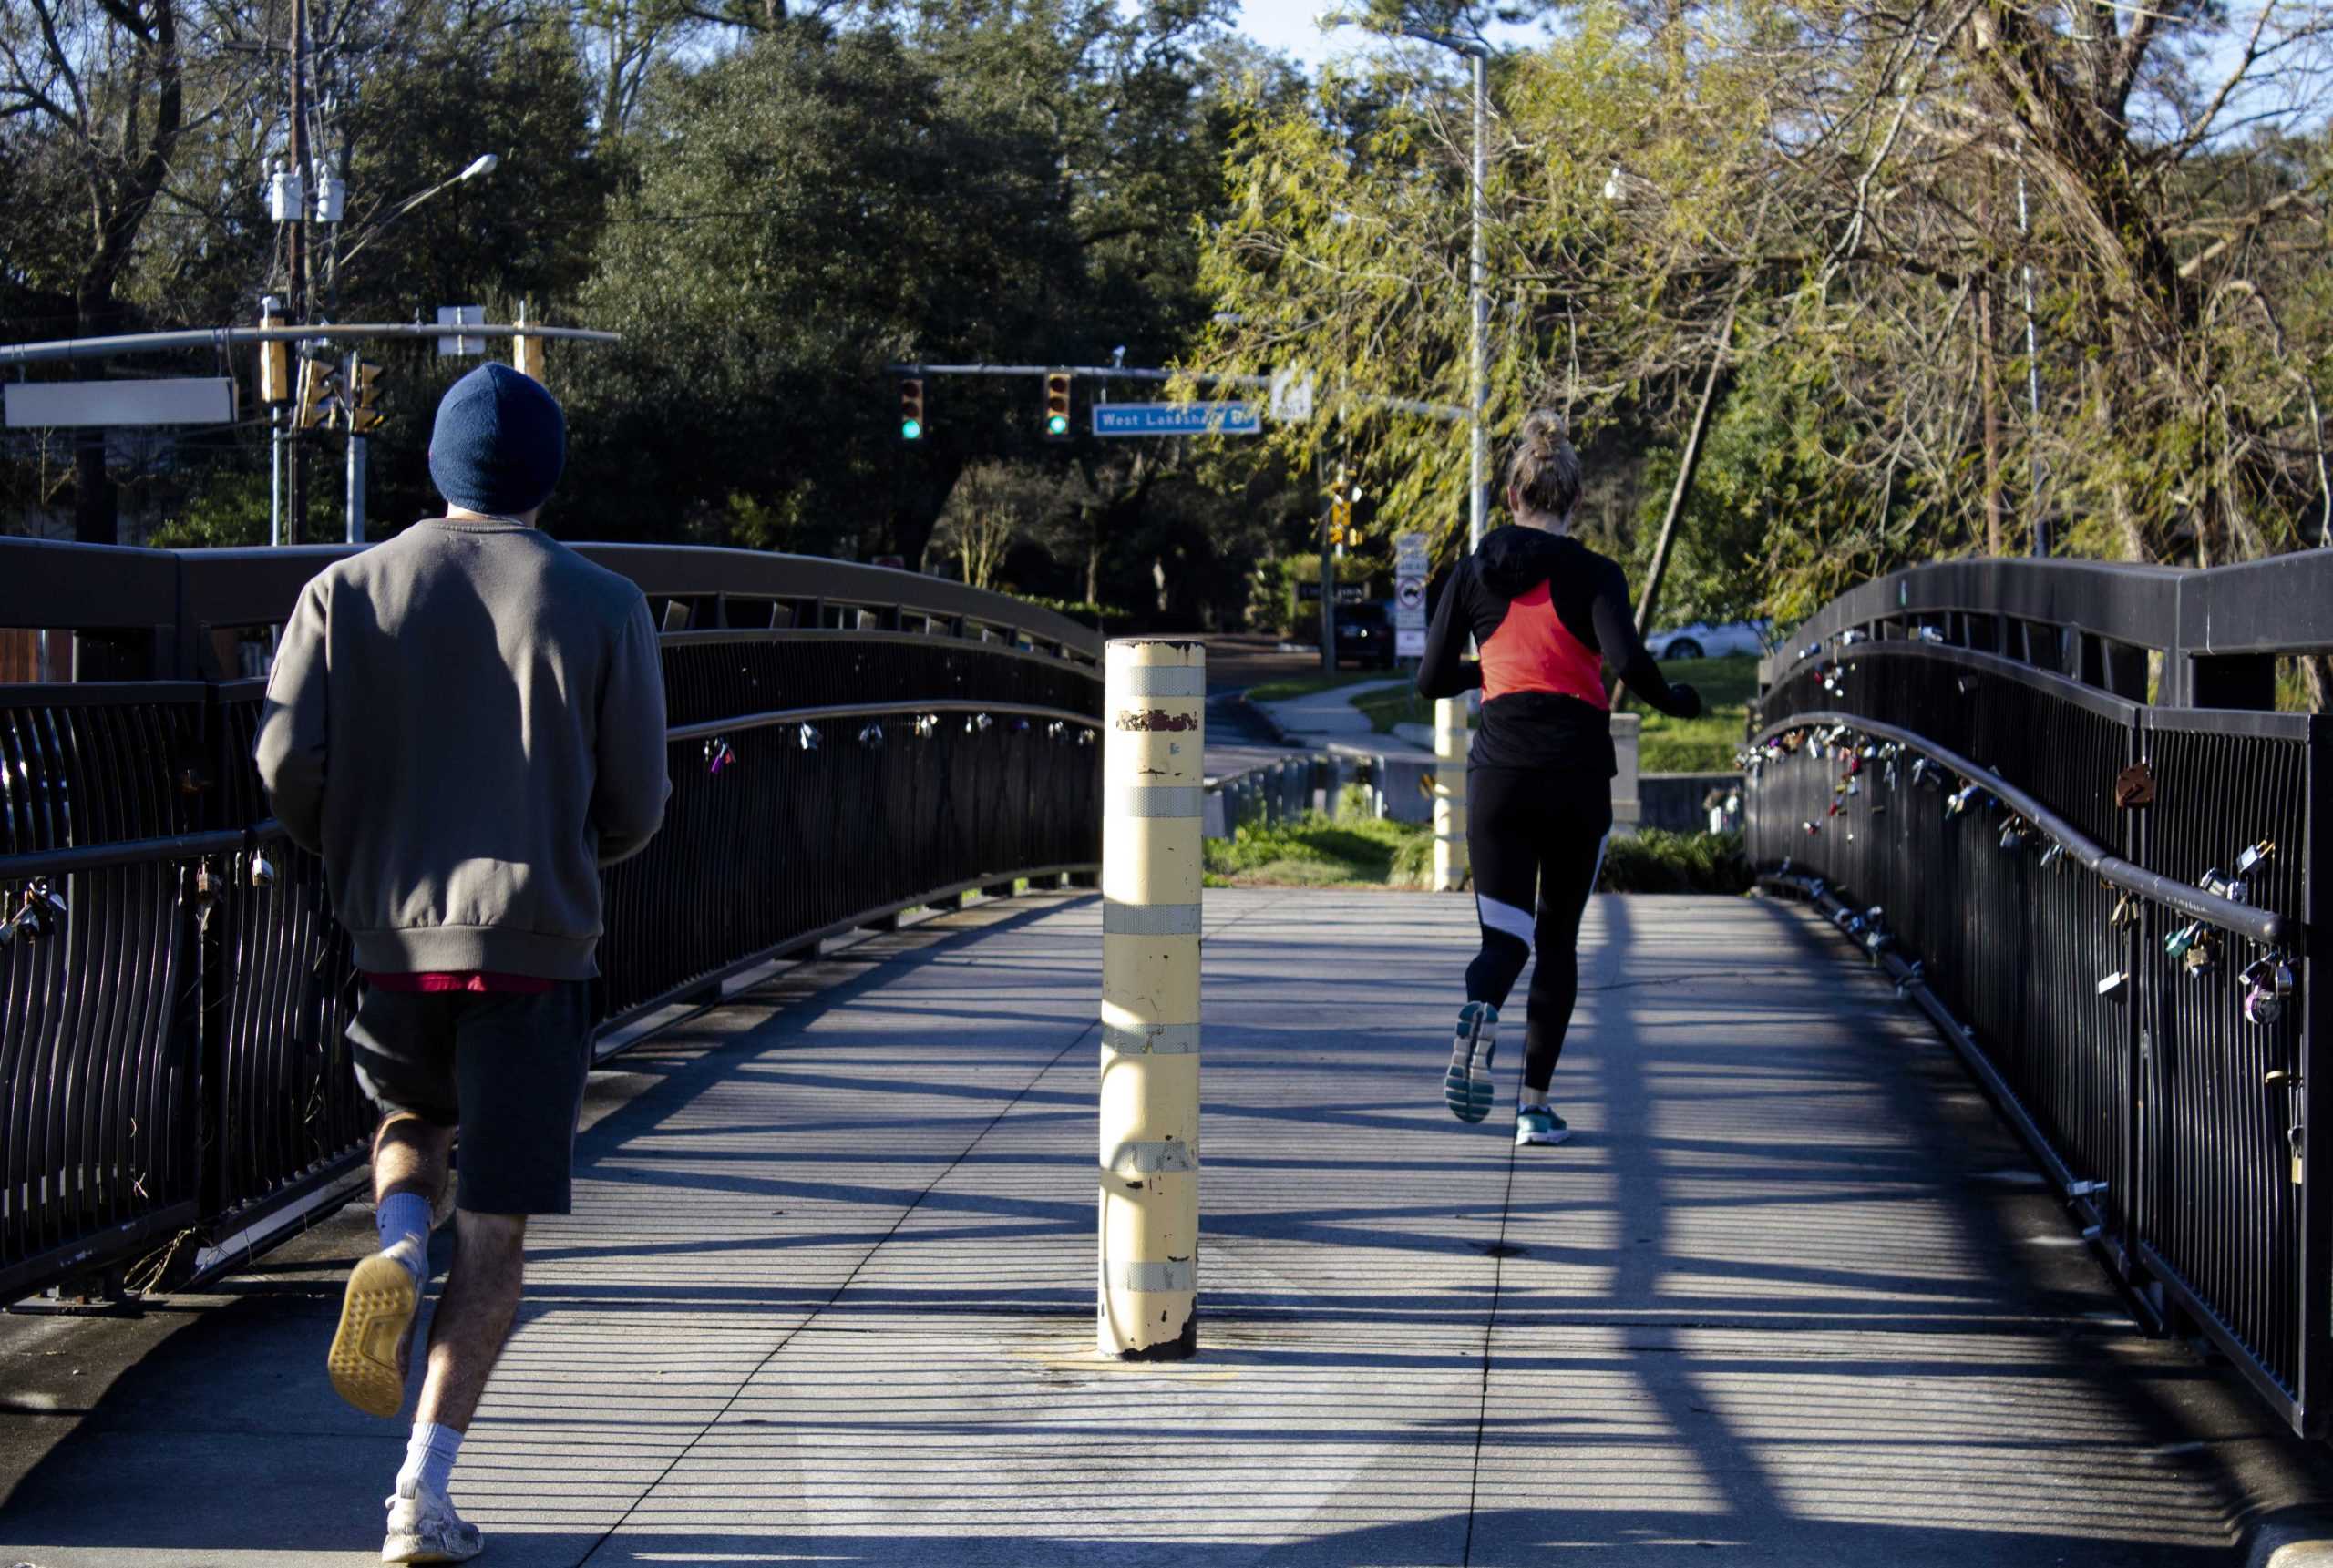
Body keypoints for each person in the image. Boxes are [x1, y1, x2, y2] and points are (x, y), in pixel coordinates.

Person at [255, 362, 670, 1563]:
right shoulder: (606, 602)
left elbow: (284, 761)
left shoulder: (344, 590)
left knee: (409, 1116)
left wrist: (354, 846)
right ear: (546, 473)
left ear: (439, 466)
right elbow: (637, 800)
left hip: (393, 933)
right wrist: (567, 852)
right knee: (496, 1246)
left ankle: (391, 1235)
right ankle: (418, 1501)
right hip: (536, 949)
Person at [1416, 410, 1701, 1148]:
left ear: (1511, 497)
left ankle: (1482, 1001)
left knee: (1504, 940)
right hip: (1576, 778)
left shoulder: (1472, 569)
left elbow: (1427, 679)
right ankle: (1533, 1106)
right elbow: (1632, 665)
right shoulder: (1595, 573)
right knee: (1560, 941)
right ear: (1576, 502)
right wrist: (1676, 700)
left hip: (1500, 777)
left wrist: (1489, 668)